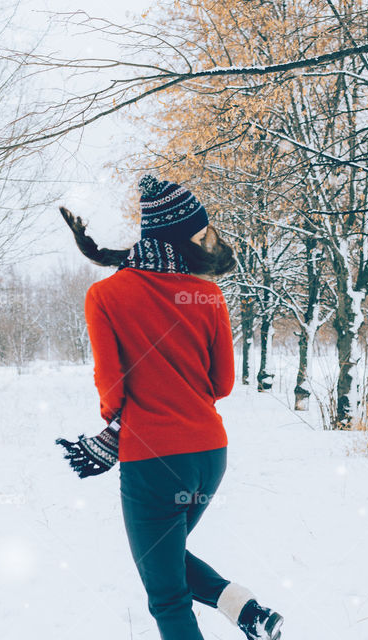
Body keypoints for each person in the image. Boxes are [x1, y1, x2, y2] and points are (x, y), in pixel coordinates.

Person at [55, 175, 284, 640]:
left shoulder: (105, 296)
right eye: (200, 236)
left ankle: (245, 611)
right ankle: (247, 612)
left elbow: (112, 391)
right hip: (210, 455)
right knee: (164, 554)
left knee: (166, 596)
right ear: (180, 239)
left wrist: (114, 430)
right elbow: (221, 384)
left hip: (152, 461)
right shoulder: (207, 296)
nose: (206, 243)